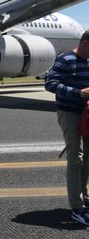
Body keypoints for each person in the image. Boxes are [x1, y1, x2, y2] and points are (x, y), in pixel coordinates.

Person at [46, 30, 89, 225]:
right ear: (85, 43)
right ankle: (76, 208)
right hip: (70, 114)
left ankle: (86, 201)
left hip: (87, 114)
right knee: (75, 158)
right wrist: (77, 92)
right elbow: (50, 83)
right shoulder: (66, 59)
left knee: (88, 160)